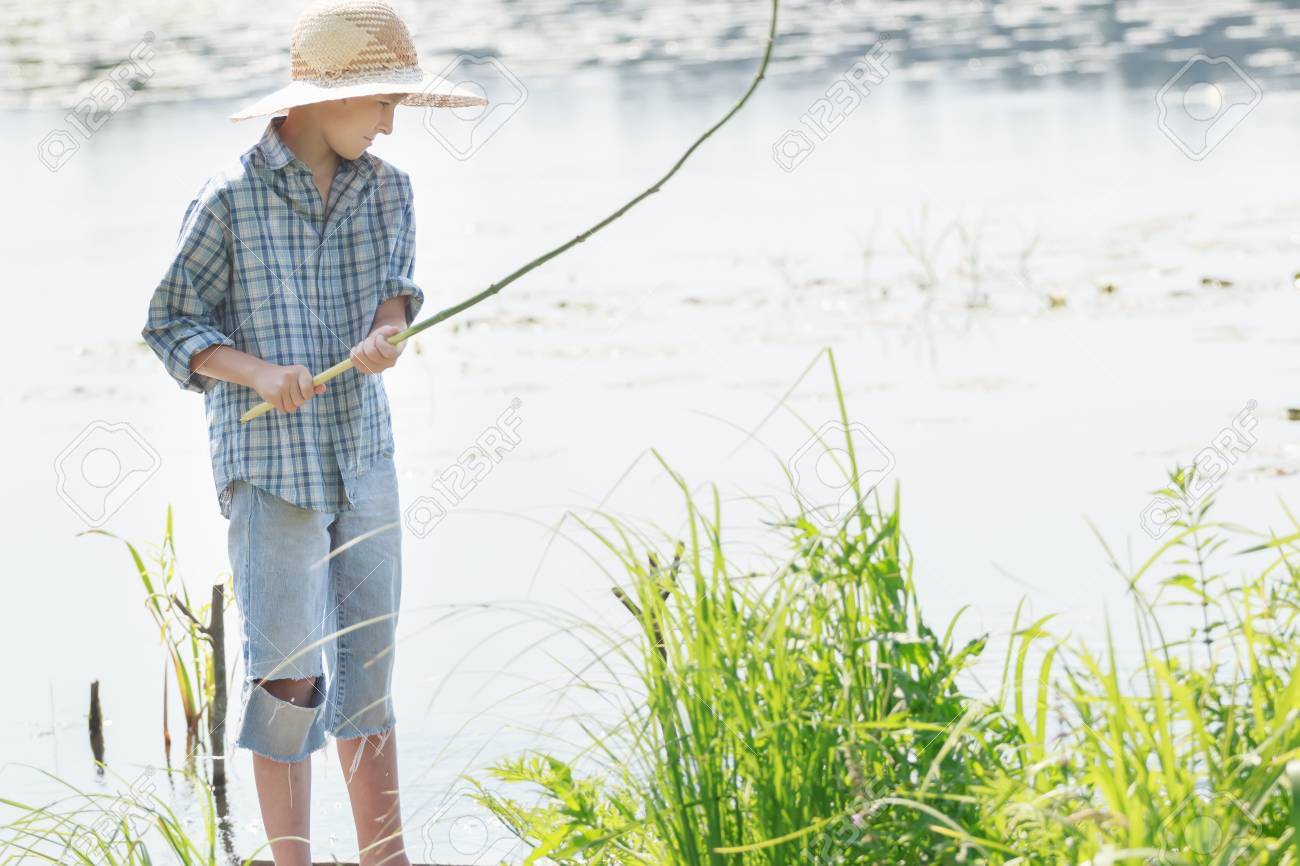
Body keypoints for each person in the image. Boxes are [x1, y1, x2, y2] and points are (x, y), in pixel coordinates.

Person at [139, 2, 485, 864]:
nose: (391, 119)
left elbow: (398, 286)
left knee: (368, 666)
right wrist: (257, 372)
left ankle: (385, 855)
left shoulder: (389, 188)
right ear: (314, 103)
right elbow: (172, 322)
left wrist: (387, 329)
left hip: (362, 455)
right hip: (272, 470)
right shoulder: (230, 198)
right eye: (379, 101)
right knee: (288, 673)